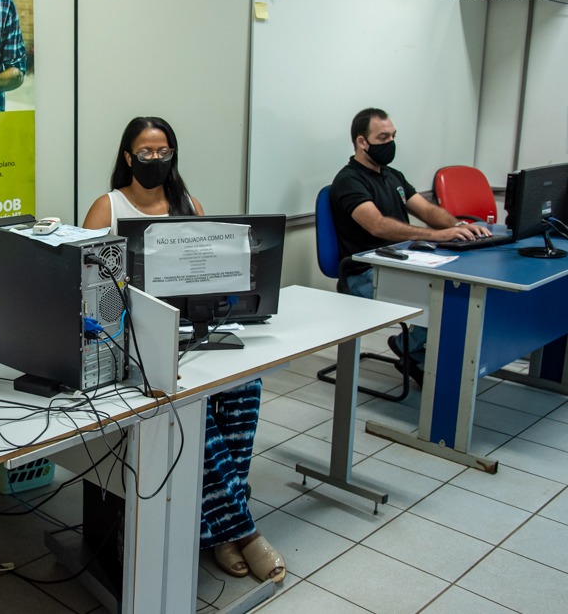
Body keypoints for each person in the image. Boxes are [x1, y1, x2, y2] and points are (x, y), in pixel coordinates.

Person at [83, 117, 286, 584]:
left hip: (190, 337)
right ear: (128, 157)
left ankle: (216, 525)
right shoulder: (106, 208)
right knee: (198, 412)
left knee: (243, 392)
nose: (155, 159)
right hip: (134, 348)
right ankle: (240, 532)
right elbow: (89, 288)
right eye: (145, 151)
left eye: (163, 151)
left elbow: (209, 278)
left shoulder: (189, 206)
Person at [330, 107, 492, 385]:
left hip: (402, 263)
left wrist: (459, 227)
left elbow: (428, 211)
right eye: (382, 137)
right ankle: (414, 350)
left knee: (457, 291)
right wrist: (437, 236)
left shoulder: (393, 176)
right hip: (366, 272)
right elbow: (378, 225)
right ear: (361, 141)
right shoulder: (348, 181)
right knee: (445, 302)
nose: (390, 143)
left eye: (393, 136)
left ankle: (413, 349)